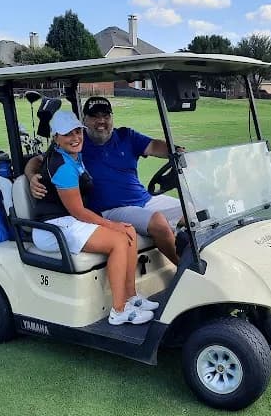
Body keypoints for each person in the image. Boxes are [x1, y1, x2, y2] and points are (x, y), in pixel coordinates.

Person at [32, 110, 158, 326]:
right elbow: (78, 212)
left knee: (128, 230)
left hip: (68, 222)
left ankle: (131, 297)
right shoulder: (62, 167)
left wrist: (117, 225)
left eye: (77, 132)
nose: (75, 138)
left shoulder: (71, 154)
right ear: (56, 138)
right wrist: (111, 224)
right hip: (52, 227)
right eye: (68, 134)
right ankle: (118, 311)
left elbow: (37, 162)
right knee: (118, 240)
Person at [26, 96, 184, 264]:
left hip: (145, 200)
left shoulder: (126, 136)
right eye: (94, 116)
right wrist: (31, 176)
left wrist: (176, 151)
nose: (101, 121)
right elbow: (38, 160)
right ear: (84, 120)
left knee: (194, 213)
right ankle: (184, 270)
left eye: (106, 116)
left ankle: (196, 259)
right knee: (158, 222)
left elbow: (154, 146)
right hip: (112, 209)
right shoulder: (76, 144)